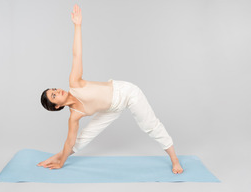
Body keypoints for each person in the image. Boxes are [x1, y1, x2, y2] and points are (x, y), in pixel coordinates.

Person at [37, 4, 183, 174]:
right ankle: (59, 156)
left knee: (149, 125)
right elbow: (70, 141)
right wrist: (62, 161)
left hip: (126, 93)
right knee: (81, 138)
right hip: (111, 108)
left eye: (54, 89)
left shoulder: (74, 83)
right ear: (56, 106)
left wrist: (77, 25)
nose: (58, 91)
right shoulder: (74, 117)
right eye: (54, 95)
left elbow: (77, 54)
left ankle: (175, 160)